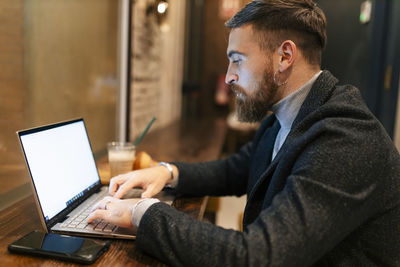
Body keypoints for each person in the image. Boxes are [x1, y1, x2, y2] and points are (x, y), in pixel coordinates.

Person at [88, 0, 400, 266]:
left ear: (284, 57)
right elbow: (236, 169)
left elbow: (259, 256)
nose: (229, 76)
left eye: (237, 60)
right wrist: (167, 172)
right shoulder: (288, 114)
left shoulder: (345, 140)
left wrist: (145, 213)